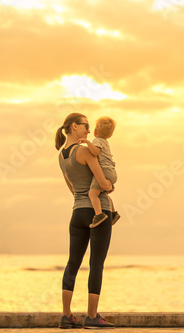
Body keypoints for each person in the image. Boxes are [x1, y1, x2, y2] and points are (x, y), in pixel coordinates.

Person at [55, 112, 115, 329]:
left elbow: (71, 188)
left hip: (77, 212)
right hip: (98, 211)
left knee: (73, 263)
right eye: (85, 126)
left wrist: (82, 194)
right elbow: (103, 182)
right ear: (73, 127)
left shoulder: (62, 155)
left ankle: (66, 316)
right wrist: (109, 185)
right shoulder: (84, 151)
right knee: (96, 264)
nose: (89, 130)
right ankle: (91, 317)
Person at [78, 116, 120, 228]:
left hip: (105, 171)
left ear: (95, 131)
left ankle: (99, 215)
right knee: (101, 193)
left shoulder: (96, 141)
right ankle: (113, 213)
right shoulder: (105, 142)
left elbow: (95, 152)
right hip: (112, 172)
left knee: (92, 194)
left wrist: (87, 142)